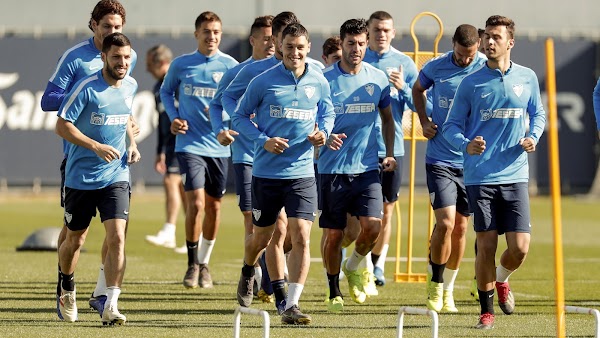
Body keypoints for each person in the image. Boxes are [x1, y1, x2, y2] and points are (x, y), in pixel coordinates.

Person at [442, 15, 546, 329]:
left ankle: (502, 279)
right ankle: (486, 312)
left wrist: (533, 136)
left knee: (519, 248)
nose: (489, 42)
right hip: (480, 176)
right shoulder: (470, 82)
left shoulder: (527, 77)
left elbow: (537, 112)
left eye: (496, 37)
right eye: (487, 36)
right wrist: (465, 144)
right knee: (486, 244)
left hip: (515, 174)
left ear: (510, 42)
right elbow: (450, 126)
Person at [40, 0, 138, 319]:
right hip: (78, 160)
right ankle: (65, 284)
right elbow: (48, 101)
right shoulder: (75, 60)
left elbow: (121, 103)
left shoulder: (127, 58)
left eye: (117, 28)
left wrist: (130, 132)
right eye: (106, 26)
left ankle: (106, 298)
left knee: (116, 234)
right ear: (94, 25)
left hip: (115, 167)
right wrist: (82, 96)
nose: (112, 32)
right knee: (75, 236)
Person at [232, 22, 335, 325]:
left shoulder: (319, 81)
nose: (294, 53)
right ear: (279, 48)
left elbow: (327, 112)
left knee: (301, 235)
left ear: (308, 49)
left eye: (300, 47)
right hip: (266, 173)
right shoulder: (262, 81)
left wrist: (323, 133)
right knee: (262, 238)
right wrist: (263, 139)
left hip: (302, 173)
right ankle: (249, 268)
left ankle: (291, 304)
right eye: (289, 47)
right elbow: (239, 117)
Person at [222, 11, 299, 314]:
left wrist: (321, 130)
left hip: (297, 165)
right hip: (257, 158)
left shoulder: (309, 71)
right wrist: (251, 128)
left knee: (294, 233)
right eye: (281, 40)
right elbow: (227, 100)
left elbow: (323, 105)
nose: (287, 47)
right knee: (272, 231)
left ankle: (268, 278)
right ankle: (272, 287)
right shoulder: (256, 72)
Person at [320, 18, 396, 312]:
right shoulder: (325, 80)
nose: (356, 49)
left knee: (373, 227)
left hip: (367, 169)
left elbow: (388, 119)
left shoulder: (377, 78)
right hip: (332, 169)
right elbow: (313, 122)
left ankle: (353, 266)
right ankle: (332, 289)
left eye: (361, 43)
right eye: (350, 43)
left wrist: (389, 152)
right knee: (336, 234)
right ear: (341, 44)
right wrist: (324, 139)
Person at [160, 11, 238, 290]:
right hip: (189, 144)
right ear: (197, 34)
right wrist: (175, 117)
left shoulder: (230, 65)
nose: (212, 36)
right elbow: (166, 92)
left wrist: (225, 119)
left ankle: (204, 264)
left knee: (215, 207)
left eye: (216, 31)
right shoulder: (182, 65)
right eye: (207, 31)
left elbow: (238, 101)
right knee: (196, 203)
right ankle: (192, 264)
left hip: (219, 145)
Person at [412, 24, 486, 313]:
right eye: (460, 54)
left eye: (470, 55)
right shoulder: (436, 66)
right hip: (441, 158)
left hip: (471, 162)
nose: (465, 60)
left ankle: (450, 289)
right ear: (452, 45)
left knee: (461, 228)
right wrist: (423, 121)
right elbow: (417, 89)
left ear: (477, 47)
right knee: (445, 222)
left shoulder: (484, 68)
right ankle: (436, 282)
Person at [208, 14, 275, 302]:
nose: (272, 44)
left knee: (280, 224)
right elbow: (216, 103)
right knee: (252, 217)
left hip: (278, 160)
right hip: (247, 155)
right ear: (253, 40)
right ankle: (256, 273)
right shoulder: (240, 72)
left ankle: (268, 275)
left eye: (276, 38)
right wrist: (220, 130)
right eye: (267, 38)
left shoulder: (287, 71)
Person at [363, 10, 419, 288]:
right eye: (377, 30)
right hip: (360, 147)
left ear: (393, 33)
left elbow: (419, 105)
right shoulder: (359, 58)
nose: (381, 34)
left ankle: (378, 265)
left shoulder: (404, 64)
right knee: (359, 212)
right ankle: (357, 262)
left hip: (392, 146)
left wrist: (404, 88)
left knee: (387, 209)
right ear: (368, 32)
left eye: (386, 30)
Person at [145, 44, 187, 254]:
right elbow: (162, 121)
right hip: (169, 145)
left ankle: (169, 231)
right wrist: (159, 150)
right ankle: (192, 240)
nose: (146, 69)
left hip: (184, 141)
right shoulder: (157, 88)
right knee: (181, 189)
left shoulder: (180, 82)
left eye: (149, 64)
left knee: (172, 181)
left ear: (162, 62)